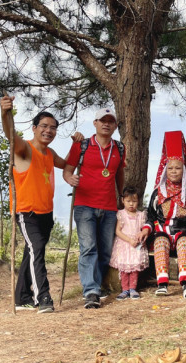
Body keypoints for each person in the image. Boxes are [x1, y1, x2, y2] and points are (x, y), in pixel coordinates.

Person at [0, 94, 83, 313]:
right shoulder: (24, 149)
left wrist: (76, 146)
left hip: (46, 213)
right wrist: (5, 112)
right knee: (36, 250)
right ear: (34, 128)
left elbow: (66, 164)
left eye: (53, 128)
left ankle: (22, 297)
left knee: (32, 253)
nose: (49, 130)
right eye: (44, 126)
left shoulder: (49, 152)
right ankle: (43, 297)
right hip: (27, 212)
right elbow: (10, 134)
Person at [63, 108, 125, 309]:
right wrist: (69, 178)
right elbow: (68, 169)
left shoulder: (119, 148)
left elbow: (118, 174)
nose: (106, 124)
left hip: (109, 207)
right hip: (84, 205)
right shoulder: (81, 146)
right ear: (95, 123)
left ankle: (97, 286)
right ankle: (90, 291)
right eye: (102, 120)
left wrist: (122, 195)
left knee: (105, 250)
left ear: (115, 126)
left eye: (110, 121)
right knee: (89, 248)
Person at [140, 131, 186, 300]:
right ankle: (162, 284)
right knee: (160, 242)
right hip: (163, 232)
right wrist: (147, 228)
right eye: (170, 168)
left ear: (183, 171)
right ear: (165, 170)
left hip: (184, 232)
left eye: (178, 168)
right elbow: (151, 216)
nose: (174, 171)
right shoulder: (158, 193)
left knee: (184, 243)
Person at [109, 186, 149, 301]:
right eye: (128, 201)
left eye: (134, 201)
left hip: (136, 245)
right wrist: (129, 240)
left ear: (138, 201)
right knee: (124, 268)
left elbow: (143, 229)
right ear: (123, 201)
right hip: (124, 244)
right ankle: (124, 289)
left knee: (134, 268)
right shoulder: (121, 214)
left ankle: (133, 288)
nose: (131, 204)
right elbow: (117, 231)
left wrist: (141, 239)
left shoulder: (141, 215)